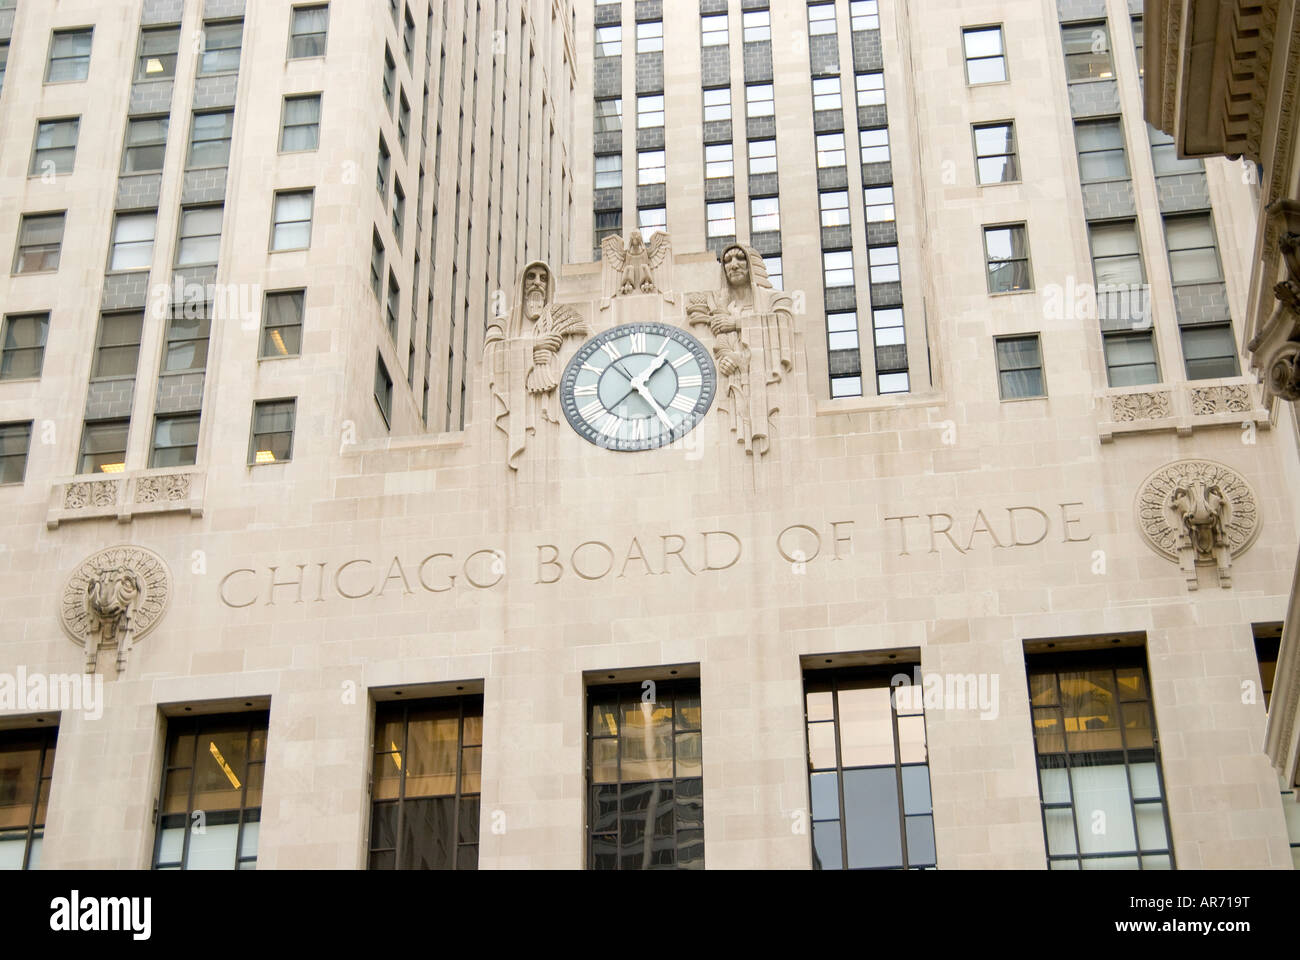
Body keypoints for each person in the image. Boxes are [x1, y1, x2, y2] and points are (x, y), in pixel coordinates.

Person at [687, 244, 794, 455]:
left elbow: (783, 323)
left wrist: (736, 323)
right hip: (734, 382)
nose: (733, 265)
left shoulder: (775, 299)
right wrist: (728, 354)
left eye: (739, 259)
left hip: (760, 383)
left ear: (751, 264)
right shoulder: (722, 306)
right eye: (727, 261)